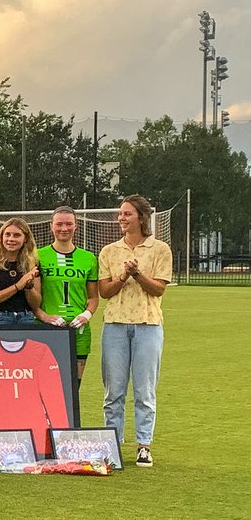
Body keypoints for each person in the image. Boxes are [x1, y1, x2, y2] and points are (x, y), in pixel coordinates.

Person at [98, 194, 171, 467]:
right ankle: (112, 445)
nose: (122, 218)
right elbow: (104, 292)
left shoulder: (160, 249)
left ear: (141, 217)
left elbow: (159, 288)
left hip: (148, 325)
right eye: (120, 214)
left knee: (145, 389)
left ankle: (144, 445)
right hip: (115, 324)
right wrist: (123, 275)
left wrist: (138, 274)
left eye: (127, 214)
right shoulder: (109, 251)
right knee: (113, 390)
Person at [36, 206, 99, 379]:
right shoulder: (37, 256)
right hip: (45, 330)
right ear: (51, 226)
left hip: (79, 332)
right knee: (48, 384)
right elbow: (32, 298)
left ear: (76, 226)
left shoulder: (89, 258)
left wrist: (86, 314)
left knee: (73, 387)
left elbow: (93, 297)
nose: (64, 228)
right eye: (59, 224)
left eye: (69, 224)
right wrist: (45, 317)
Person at [0, 217, 41, 325]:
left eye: (17, 235)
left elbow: (36, 305)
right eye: (7, 234)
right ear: (1, 236)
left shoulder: (33, 263)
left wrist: (28, 287)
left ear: (25, 238)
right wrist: (17, 286)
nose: (11, 239)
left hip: (26, 318)